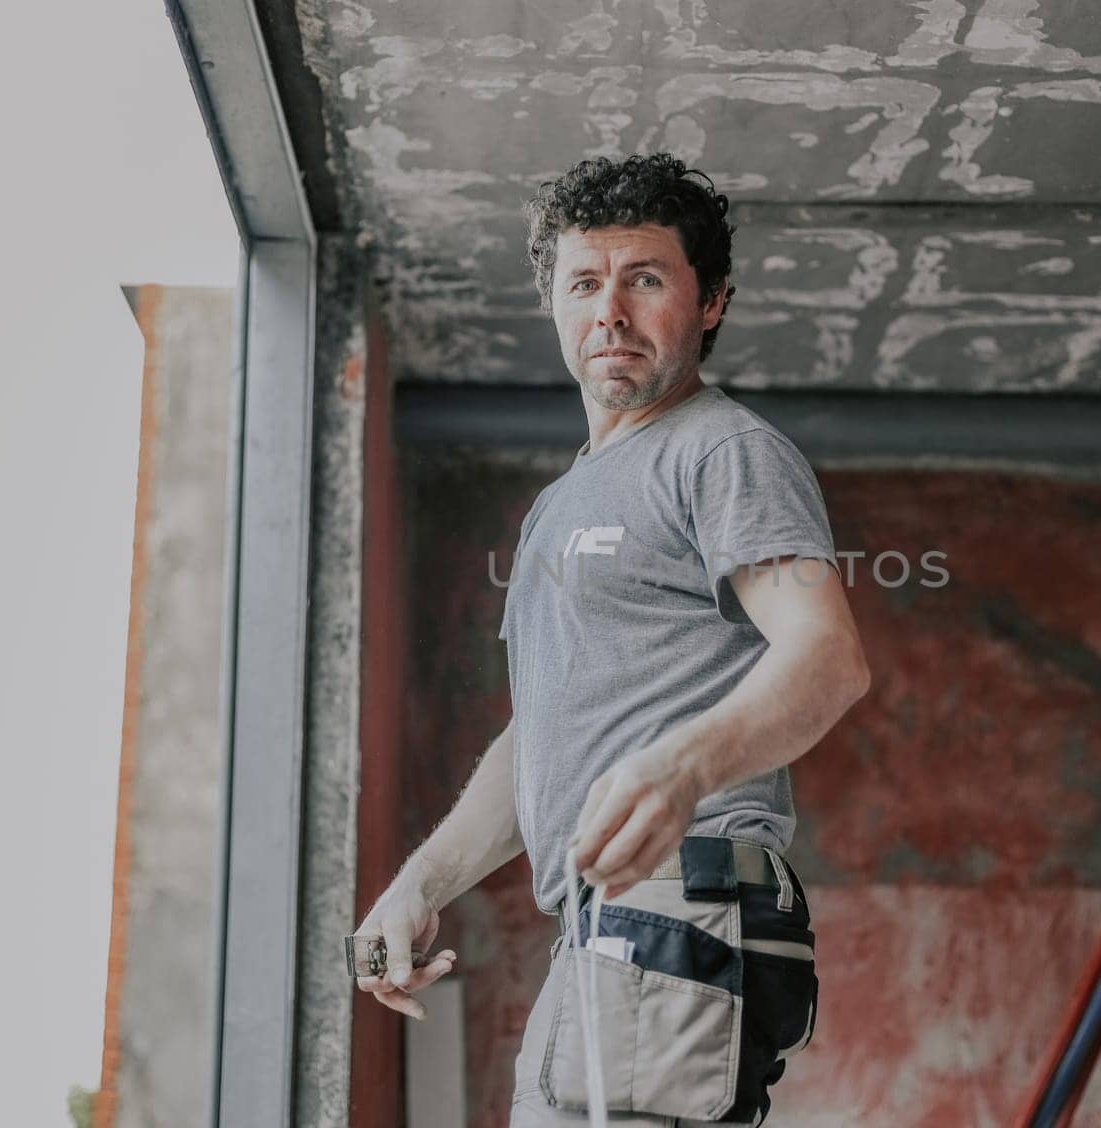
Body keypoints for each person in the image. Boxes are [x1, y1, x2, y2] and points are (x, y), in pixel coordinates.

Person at [351, 152, 871, 1125]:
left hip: (678, 904)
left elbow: (827, 657)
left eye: (645, 279)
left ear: (710, 302)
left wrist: (678, 769)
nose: (610, 313)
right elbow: (543, 735)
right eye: (585, 283)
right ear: (554, 302)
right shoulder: (559, 508)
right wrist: (420, 884)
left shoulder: (722, 451)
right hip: (608, 929)